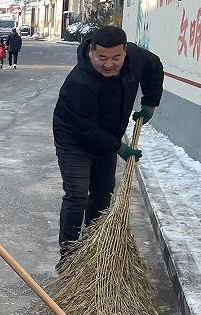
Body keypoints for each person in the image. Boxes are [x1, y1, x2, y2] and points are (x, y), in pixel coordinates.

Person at [52, 26, 163, 265]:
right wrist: (119, 148)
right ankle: (69, 255)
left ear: (125, 52)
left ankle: (95, 246)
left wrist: (150, 102)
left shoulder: (135, 57)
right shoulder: (78, 83)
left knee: (103, 191)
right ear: (91, 52)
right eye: (102, 58)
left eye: (116, 58)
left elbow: (154, 67)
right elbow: (85, 129)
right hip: (73, 139)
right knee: (77, 194)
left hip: (108, 135)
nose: (109, 64)